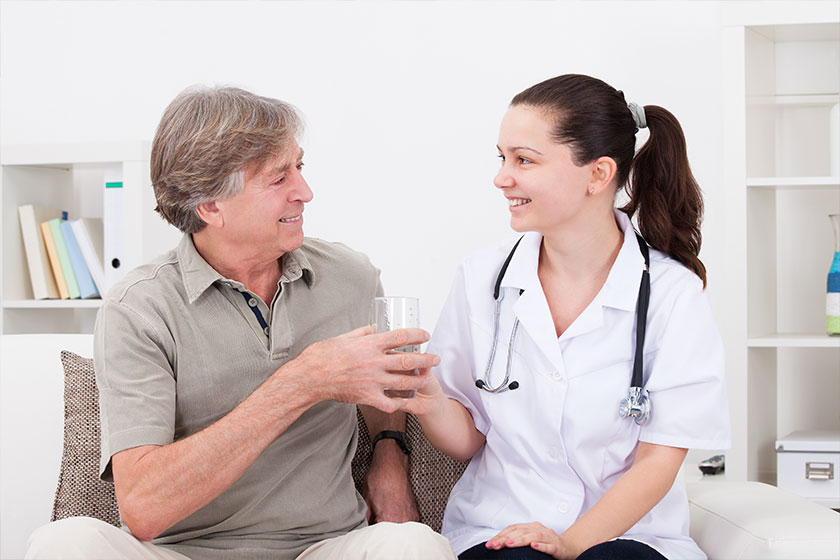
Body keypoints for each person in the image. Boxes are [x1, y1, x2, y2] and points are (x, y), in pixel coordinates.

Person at [25, 86, 456, 560]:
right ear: (210, 206)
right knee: (62, 544)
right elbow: (143, 509)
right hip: (184, 553)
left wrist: (389, 452)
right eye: (278, 179)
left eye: (300, 167)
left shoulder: (350, 278)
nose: (305, 192)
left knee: (414, 546)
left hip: (326, 549)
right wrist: (300, 383)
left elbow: (389, 375)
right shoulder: (139, 308)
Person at [402, 74, 730, 560]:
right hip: (502, 528)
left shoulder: (670, 293)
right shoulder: (480, 279)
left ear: (597, 175)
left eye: (524, 160)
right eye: (502, 157)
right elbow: (469, 439)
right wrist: (427, 397)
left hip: (631, 536)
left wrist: (569, 542)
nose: (501, 177)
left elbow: (658, 459)